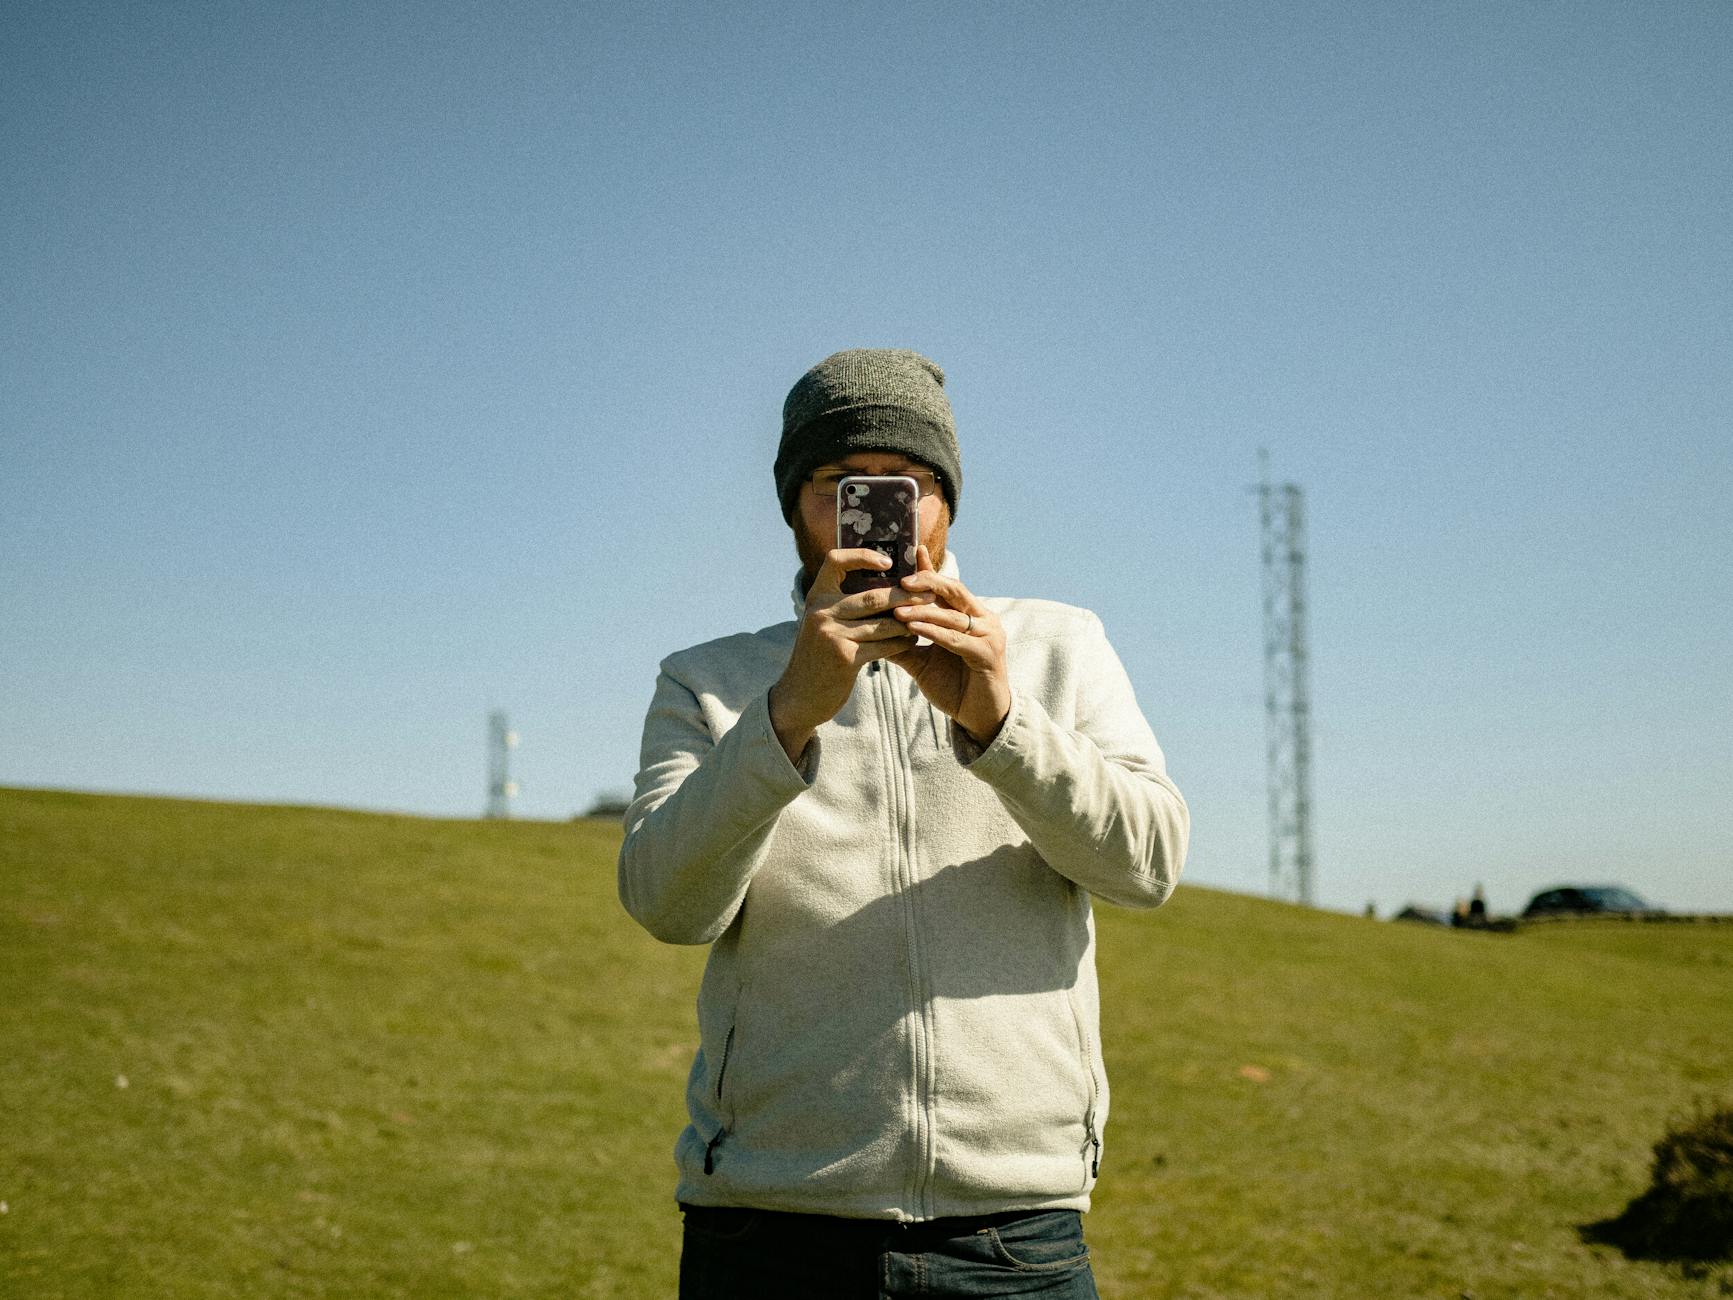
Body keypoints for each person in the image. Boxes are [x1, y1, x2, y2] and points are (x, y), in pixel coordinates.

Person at [618, 348, 1189, 1297]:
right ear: (795, 505)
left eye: (911, 484)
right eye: (843, 485)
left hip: (1015, 1237)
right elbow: (668, 906)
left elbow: (1151, 866)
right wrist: (783, 717)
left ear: (949, 501)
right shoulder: (707, 680)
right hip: (769, 1229)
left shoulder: (1057, 646)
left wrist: (1001, 724)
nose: (885, 513)